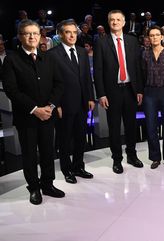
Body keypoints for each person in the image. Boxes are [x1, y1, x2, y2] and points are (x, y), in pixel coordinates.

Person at [2, 19, 65, 205]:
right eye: (27, 33)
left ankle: (48, 184)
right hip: (26, 117)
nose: (32, 37)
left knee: (47, 151)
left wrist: (51, 107)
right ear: (20, 36)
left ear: (40, 36)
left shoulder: (49, 58)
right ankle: (34, 188)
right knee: (29, 154)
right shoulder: (11, 59)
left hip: (48, 115)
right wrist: (35, 109)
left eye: (35, 33)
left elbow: (59, 84)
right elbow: (11, 90)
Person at [94, 10, 144, 174]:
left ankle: (132, 155)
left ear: (123, 22)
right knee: (114, 127)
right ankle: (117, 159)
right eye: (112, 20)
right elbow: (98, 70)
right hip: (112, 91)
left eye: (118, 20)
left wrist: (139, 90)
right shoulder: (101, 42)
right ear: (109, 23)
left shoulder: (132, 40)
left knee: (131, 125)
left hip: (130, 89)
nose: (115, 22)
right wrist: (101, 93)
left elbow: (137, 67)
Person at [49, 19, 95, 184]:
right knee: (65, 140)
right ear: (60, 34)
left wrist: (90, 97)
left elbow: (87, 78)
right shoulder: (52, 54)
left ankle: (78, 167)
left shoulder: (82, 52)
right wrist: (56, 104)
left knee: (80, 137)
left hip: (82, 103)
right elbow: (51, 83)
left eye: (74, 32)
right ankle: (66, 170)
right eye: (68, 32)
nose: (72, 35)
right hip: (64, 105)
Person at [141, 26, 164, 169]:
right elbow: (142, 74)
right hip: (149, 93)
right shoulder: (144, 54)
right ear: (148, 38)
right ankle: (155, 157)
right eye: (151, 35)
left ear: (162, 37)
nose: (154, 37)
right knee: (150, 128)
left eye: (157, 35)